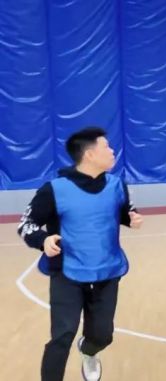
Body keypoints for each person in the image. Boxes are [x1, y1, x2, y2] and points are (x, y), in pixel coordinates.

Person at [17, 127, 143, 381]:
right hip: (67, 272)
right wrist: (43, 239)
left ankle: (88, 350)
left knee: (103, 335)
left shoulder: (117, 185)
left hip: (108, 271)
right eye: (106, 147)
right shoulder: (54, 190)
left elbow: (122, 211)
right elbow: (26, 223)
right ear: (89, 154)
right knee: (63, 334)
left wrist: (131, 219)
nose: (112, 151)